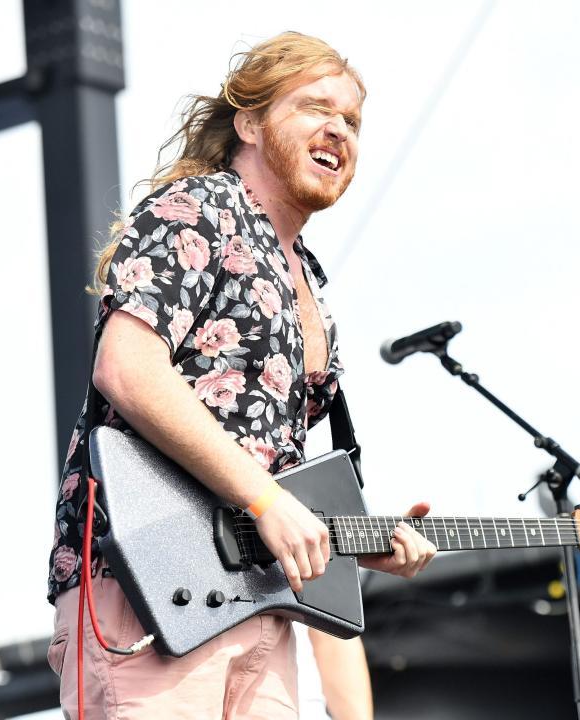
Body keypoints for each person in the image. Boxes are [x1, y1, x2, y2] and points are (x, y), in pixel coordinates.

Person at [46, 31, 436, 720]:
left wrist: (351, 541)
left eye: (351, 120)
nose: (338, 130)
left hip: (258, 599)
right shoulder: (198, 210)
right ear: (249, 123)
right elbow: (126, 367)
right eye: (316, 107)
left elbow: (283, 478)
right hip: (147, 585)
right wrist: (266, 503)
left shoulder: (308, 278)